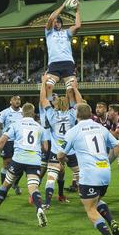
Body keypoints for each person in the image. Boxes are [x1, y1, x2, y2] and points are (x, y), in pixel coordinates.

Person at [57, 103, 119, 235]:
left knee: (90, 208)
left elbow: (60, 155)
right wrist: (108, 162)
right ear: (90, 113)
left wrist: (65, 160)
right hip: (105, 172)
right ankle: (112, 222)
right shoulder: (101, 128)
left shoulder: (74, 131)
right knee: (96, 200)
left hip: (89, 174)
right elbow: (117, 145)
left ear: (76, 115)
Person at [0, 103, 50, 227]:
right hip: (34, 161)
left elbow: (2, 141)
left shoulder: (16, 124)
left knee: (5, 185)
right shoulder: (39, 127)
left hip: (18, 160)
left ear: (22, 113)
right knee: (33, 188)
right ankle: (39, 209)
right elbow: (46, 148)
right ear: (33, 114)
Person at [39, 76, 79, 208]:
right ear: (67, 104)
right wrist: (74, 88)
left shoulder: (51, 115)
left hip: (56, 151)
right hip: (71, 151)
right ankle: (90, 198)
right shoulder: (72, 114)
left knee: (51, 177)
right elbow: (79, 102)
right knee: (81, 175)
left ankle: (47, 203)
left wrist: (44, 81)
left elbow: (43, 100)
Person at [43, 0, 81, 103]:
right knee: (49, 86)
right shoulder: (49, 33)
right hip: (54, 63)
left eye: (58, 22)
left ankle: (72, 109)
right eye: (55, 22)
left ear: (61, 24)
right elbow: (51, 18)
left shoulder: (66, 33)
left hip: (67, 62)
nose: (56, 23)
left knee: (70, 90)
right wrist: (63, 6)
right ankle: (49, 106)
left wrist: (77, 11)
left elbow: (78, 26)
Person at [0, 95, 23, 195]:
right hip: (8, 141)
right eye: (15, 99)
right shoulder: (4, 112)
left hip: (20, 141)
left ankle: (15, 183)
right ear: (11, 101)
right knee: (6, 163)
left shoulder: (24, 112)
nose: (17, 101)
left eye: (19, 99)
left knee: (21, 165)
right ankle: (3, 188)